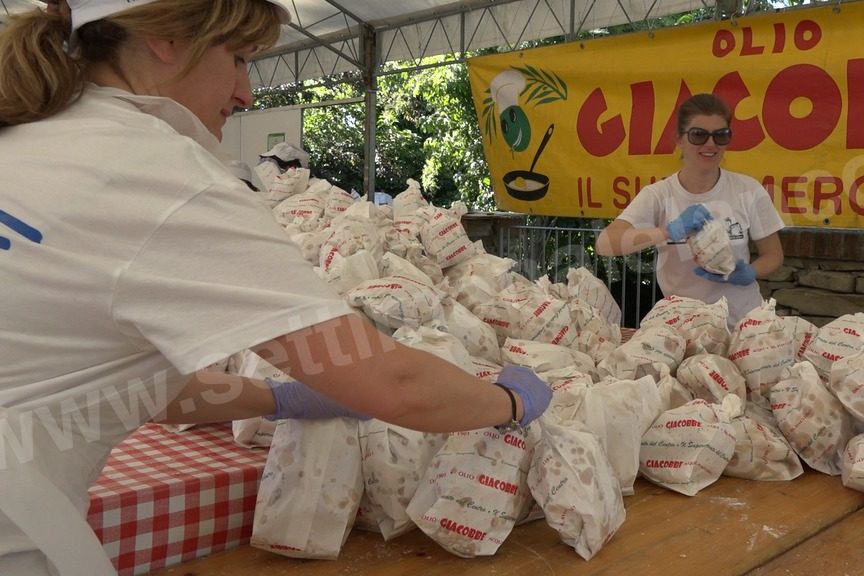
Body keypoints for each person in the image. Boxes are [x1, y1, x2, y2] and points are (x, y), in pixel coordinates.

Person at [0, 1, 552, 574]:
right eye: (237, 58)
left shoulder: (31, 141)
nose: (245, 93)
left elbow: (116, 387)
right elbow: (394, 383)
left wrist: (278, 398)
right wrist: (508, 400)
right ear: (166, 37)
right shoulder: (160, 174)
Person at [595, 93, 785, 328]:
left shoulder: (748, 190)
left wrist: (750, 271)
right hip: (684, 328)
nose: (710, 144)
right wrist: (667, 231)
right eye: (698, 135)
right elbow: (605, 244)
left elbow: (774, 255)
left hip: (742, 325)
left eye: (721, 135)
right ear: (679, 139)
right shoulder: (659, 195)